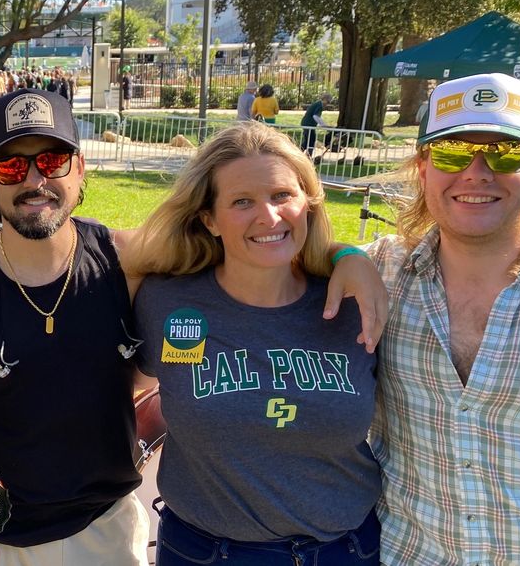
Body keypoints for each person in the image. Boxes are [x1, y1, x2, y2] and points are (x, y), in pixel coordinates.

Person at [0, 90, 387, 566]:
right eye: (10, 167)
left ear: (79, 168)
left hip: (110, 526)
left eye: (52, 161)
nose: (34, 180)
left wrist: (346, 255)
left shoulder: (129, 262)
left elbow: (264, 237)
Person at [125, 121, 381, 565]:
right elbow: (124, 383)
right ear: (209, 219)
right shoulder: (166, 303)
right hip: (206, 553)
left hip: (346, 550)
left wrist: (349, 254)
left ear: (308, 203)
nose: (269, 216)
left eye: (282, 195)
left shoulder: (355, 300)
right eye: (242, 201)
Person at [365, 72, 520, 565]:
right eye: (452, 153)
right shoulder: (377, 274)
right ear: (423, 169)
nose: (477, 172)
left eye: (506, 153)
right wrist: (339, 256)